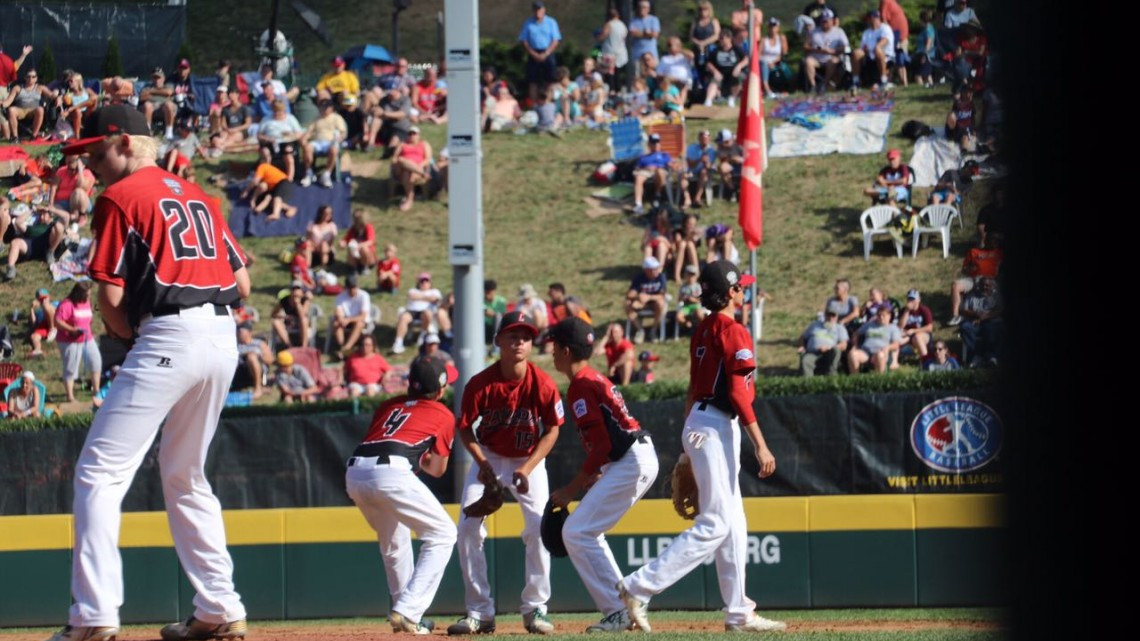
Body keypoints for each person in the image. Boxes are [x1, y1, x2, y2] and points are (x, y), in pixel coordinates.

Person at [45, 104, 249, 641]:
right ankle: (220, 607)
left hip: (168, 333)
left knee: (99, 473)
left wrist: (130, 336)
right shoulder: (199, 195)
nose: (88, 165)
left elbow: (109, 298)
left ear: (125, 143)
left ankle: (93, 616)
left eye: (95, 152)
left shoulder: (120, 196)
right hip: (223, 334)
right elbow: (243, 284)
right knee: (185, 474)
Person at [618, 260, 783, 634]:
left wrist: (686, 441)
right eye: (740, 287)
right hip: (717, 425)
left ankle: (739, 611)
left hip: (702, 422)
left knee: (734, 523)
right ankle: (638, 586)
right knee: (716, 522)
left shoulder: (704, 329)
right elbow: (740, 395)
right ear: (729, 294)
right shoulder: (733, 330)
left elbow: (694, 389)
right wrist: (761, 445)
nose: (744, 292)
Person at [448, 310, 564, 636]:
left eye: (525, 336)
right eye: (512, 335)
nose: (519, 342)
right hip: (490, 458)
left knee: (540, 528)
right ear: (498, 341)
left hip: (529, 459)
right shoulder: (480, 384)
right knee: (468, 527)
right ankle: (479, 612)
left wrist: (527, 468)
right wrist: (483, 464)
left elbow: (553, 429)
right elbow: (465, 430)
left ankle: (535, 608)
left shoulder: (542, 383)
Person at [547, 317, 659, 633]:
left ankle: (620, 609)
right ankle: (622, 607)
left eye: (554, 346)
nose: (552, 352)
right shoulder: (592, 378)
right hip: (631, 458)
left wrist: (571, 488)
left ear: (566, 350)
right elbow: (607, 443)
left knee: (576, 532)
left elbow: (602, 445)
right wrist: (600, 472)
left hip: (630, 461)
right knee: (585, 531)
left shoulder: (581, 385)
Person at [346, 356, 458, 635]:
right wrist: (423, 457)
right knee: (443, 533)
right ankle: (408, 610)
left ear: (410, 384)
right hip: (392, 472)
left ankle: (405, 614)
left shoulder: (388, 405)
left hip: (355, 472)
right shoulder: (442, 413)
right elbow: (437, 470)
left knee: (394, 542)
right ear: (440, 389)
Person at [54, 281, 102, 403]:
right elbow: (57, 322)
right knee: (71, 367)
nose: (88, 297)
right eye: (86, 294)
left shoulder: (87, 302)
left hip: (87, 338)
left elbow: (89, 317)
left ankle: (96, 391)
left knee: (96, 361)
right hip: (69, 341)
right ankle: (70, 396)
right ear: (78, 293)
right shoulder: (67, 305)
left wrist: (88, 329)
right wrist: (72, 330)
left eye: (89, 294)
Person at [948, 234, 1002, 326]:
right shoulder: (974, 252)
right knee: (956, 285)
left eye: (996, 240)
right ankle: (956, 315)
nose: (995, 242)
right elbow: (964, 269)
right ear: (986, 240)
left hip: (992, 279)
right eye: (992, 239)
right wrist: (970, 269)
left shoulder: (1000, 252)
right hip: (974, 279)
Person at [518, 2, 562, 104]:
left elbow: (555, 40)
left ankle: (548, 102)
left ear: (544, 10)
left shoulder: (551, 22)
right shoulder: (528, 23)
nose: (537, 12)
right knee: (533, 80)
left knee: (550, 79)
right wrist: (533, 53)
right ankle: (534, 104)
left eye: (539, 10)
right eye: (535, 10)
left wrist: (546, 53)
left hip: (547, 51)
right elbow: (524, 40)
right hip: (534, 52)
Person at [393, 272, 443, 354]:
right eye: (422, 281)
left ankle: (423, 334)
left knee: (427, 314)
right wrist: (427, 298)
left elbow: (435, 299)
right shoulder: (413, 290)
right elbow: (411, 296)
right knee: (403, 318)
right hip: (412, 311)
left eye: (426, 281)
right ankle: (398, 342)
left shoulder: (435, 291)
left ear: (430, 283)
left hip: (426, 312)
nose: (424, 283)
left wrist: (420, 297)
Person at [959, 276, 1002, 367]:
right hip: (974, 321)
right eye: (982, 285)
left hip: (990, 321)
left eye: (987, 285)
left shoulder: (996, 295)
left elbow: (1000, 310)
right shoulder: (972, 294)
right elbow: (963, 309)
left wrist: (985, 316)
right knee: (965, 327)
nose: (984, 287)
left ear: (992, 286)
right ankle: (975, 356)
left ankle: (991, 357)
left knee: (992, 329)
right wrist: (976, 315)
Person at [303, 100, 348, 187]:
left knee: (334, 149)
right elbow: (309, 131)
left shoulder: (336, 118)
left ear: (331, 108)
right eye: (321, 107)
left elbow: (342, 133)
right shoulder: (316, 118)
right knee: (307, 147)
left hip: (330, 142)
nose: (323, 109)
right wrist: (304, 139)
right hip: (318, 142)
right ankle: (309, 173)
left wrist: (338, 139)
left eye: (325, 108)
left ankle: (326, 174)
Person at [847, 304, 903, 374]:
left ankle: (879, 380)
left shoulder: (893, 328)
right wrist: (855, 345)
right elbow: (856, 334)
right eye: (879, 315)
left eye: (883, 315)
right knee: (852, 354)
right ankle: (855, 380)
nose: (881, 317)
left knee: (880, 355)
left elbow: (896, 345)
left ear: (889, 316)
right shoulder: (870, 324)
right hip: (865, 352)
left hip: (881, 352)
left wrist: (888, 347)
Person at [3, 68, 56, 141]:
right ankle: (15, 137)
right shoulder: (17, 88)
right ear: (25, 77)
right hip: (20, 110)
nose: (31, 78)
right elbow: (8, 101)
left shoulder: (40, 88)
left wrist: (56, 92)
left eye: (33, 76)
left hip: (33, 111)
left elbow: (51, 95)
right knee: (11, 110)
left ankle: (34, 136)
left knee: (40, 109)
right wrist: (2, 103)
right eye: (28, 76)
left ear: (36, 78)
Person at [803, 9, 849, 94]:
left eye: (826, 21)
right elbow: (805, 46)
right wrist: (817, 49)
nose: (824, 23)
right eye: (823, 21)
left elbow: (845, 47)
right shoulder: (813, 32)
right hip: (817, 58)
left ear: (832, 21)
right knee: (808, 61)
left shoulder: (839, 32)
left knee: (833, 61)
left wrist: (833, 51)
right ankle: (813, 86)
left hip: (831, 57)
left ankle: (824, 84)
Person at [625, 256, 668, 344]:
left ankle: (654, 330)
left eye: (657, 268)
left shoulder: (661, 277)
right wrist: (638, 296)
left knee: (660, 303)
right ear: (647, 270)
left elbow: (662, 295)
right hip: (641, 303)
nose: (656, 270)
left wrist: (648, 297)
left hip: (655, 303)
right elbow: (629, 294)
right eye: (654, 269)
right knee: (627, 304)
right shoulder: (639, 278)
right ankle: (640, 330)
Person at [392, 126, 434, 212]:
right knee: (401, 160)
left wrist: (418, 166)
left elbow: (428, 159)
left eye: (414, 133)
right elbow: (395, 157)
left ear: (419, 135)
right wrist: (395, 163)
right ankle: (423, 174)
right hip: (401, 168)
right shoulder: (402, 144)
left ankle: (409, 199)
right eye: (409, 133)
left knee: (407, 173)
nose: (411, 135)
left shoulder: (424, 144)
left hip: (417, 168)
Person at [798, 309, 849, 377]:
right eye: (828, 315)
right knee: (806, 360)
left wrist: (829, 348)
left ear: (837, 317)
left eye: (833, 316)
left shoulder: (839, 328)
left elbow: (844, 345)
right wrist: (802, 346)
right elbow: (802, 337)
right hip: (813, 353)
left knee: (836, 350)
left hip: (829, 353)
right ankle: (808, 383)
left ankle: (831, 375)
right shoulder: (814, 325)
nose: (830, 318)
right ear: (825, 315)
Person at [853, 10, 895, 90]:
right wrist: (864, 51)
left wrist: (874, 48)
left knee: (878, 50)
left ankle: (884, 80)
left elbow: (885, 41)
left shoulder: (885, 28)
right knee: (856, 53)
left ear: (876, 18)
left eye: (870, 18)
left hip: (885, 56)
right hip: (870, 56)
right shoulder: (866, 32)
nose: (868, 21)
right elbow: (863, 48)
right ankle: (856, 81)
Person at [632, 133, 671, 216]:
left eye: (657, 142)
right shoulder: (644, 156)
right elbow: (637, 168)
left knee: (659, 171)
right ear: (649, 144)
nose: (656, 145)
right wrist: (646, 168)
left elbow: (670, 165)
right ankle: (638, 204)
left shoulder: (664, 154)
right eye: (653, 143)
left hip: (660, 171)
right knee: (638, 177)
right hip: (646, 171)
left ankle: (657, 195)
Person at [332, 274, 372, 356]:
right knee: (336, 323)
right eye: (350, 287)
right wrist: (341, 319)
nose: (352, 290)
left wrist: (349, 320)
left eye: (354, 287)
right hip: (346, 320)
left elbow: (363, 315)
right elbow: (338, 311)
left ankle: (346, 348)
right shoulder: (340, 297)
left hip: (359, 321)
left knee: (359, 324)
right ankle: (342, 346)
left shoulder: (364, 296)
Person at [49, 154, 96, 223]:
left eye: (73, 169)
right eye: (68, 167)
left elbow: (81, 186)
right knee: (52, 212)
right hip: (61, 202)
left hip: (80, 203)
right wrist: (50, 204)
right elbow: (53, 187)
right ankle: (72, 217)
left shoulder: (87, 173)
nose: (70, 171)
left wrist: (80, 171)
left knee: (78, 191)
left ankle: (79, 215)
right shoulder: (61, 171)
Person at [234, 322, 273, 399]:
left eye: (240, 331)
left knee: (251, 357)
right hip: (239, 369)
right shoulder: (235, 344)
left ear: (249, 332)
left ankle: (258, 388)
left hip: (257, 368)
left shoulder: (259, 344)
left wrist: (257, 355)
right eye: (237, 331)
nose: (238, 333)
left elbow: (270, 360)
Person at [596, 7, 628, 91]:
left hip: (610, 53)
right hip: (620, 52)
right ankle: (618, 88)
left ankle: (612, 90)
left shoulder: (609, 24)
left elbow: (604, 35)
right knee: (617, 73)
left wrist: (598, 37)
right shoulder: (623, 25)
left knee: (610, 74)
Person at [271, 283, 312, 348]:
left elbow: (302, 315)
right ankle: (290, 346)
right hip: (289, 323)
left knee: (304, 320)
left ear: (302, 292)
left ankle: (304, 347)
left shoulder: (305, 300)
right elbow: (273, 314)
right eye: (293, 289)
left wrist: (297, 303)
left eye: (298, 289)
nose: (295, 291)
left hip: (301, 323)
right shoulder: (285, 300)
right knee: (276, 322)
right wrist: (280, 316)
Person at [59, 72, 98, 139]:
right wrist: (59, 99)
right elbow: (62, 101)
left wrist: (74, 107)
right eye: (68, 81)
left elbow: (96, 98)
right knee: (77, 111)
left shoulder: (87, 91)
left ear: (78, 82)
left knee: (94, 98)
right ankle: (77, 136)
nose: (69, 83)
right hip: (75, 115)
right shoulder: (69, 95)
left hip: (87, 113)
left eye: (71, 81)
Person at [595, 322, 635, 386]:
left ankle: (625, 386)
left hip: (625, 373)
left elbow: (630, 355)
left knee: (627, 362)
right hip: (612, 373)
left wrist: (614, 365)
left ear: (621, 332)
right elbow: (597, 352)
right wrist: (606, 336)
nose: (613, 334)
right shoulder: (609, 345)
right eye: (612, 332)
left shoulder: (625, 343)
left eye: (616, 332)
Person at [898, 289, 934, 359]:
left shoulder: (924, 310)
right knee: (895, 338)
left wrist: (913, 331)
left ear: (918, 300)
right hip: (907, 334)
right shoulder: (904, 310)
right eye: (909, 299)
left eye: (913, 299)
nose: (911, 301)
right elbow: (900, 326)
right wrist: (907, 311)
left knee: (917, 337)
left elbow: (929, 328)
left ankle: (925, 360)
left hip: (922, 334)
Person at [341, 209, 378, 274]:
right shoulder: (353, 228)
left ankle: (365, 267)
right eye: (355, 217)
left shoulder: (368, 227)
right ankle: (353, 268)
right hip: (356, 254)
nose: (356, 219)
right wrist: (342, 243)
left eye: (358, 217)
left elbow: (370, 241)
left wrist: (359, 245)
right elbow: (346, 239)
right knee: (351, 246)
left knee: (364, 249)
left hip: (367, 255)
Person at [759, 18, 789, 98]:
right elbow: (758, 54)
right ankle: (768, 90)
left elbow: (784, 54)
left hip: (776, 62)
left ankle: (781, 89)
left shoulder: (781, 38)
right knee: (764, 64)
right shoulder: (764, 40)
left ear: (778, 28)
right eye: (770, 27)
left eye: (774, 27)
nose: (772, 29)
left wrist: (774, 62)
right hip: (764, 61)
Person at [629, 0, 662, 68]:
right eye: (640, 7)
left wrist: (639, 33)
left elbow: (655, 34)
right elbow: (632, 33)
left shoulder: (654, 20)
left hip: (651, 54)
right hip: (637, 55)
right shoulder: (633, 20)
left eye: (644, 7)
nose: (641, 9)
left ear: (648, 9)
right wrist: (646, 33)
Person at [27, 288, 57, 357]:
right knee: (34, 336)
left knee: (46, 307)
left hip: (56, 321)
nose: (44, 301)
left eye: (45, 298)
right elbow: (34, 324)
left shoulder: (54, 304)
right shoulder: (38, 312)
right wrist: (31, 309)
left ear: (49, 297)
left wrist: (45, 307)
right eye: (41, 299)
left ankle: (52, 329)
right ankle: (37, 350)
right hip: (44, 325)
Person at [483, 279, 507, 346]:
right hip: (484, 327)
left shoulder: (501, 301)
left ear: (494, 291)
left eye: (489, 292)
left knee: (498, 317)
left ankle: (496, 346)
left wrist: (492, 314)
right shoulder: (480, 300)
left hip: (496, 327)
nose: (487, 294)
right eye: (486, 292)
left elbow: (502, 315)